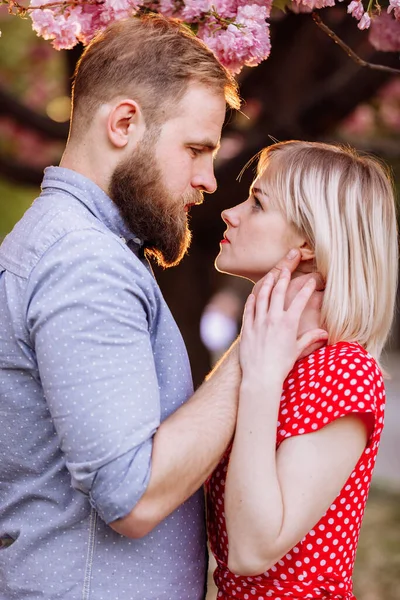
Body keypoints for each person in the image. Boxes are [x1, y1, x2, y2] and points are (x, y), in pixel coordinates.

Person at [0, 15, 318, 600]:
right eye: (196, 149)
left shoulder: (75, 245)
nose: (207, 180)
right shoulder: (84, 262)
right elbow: (134, 497)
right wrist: (255, 347)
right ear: (124, 123)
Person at [207, 140, 398, 600]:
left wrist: (260, 380)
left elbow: (253, 550)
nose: (230, 213)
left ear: (309, 243)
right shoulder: (274, 357)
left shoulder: (343, 372)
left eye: (257, 203)